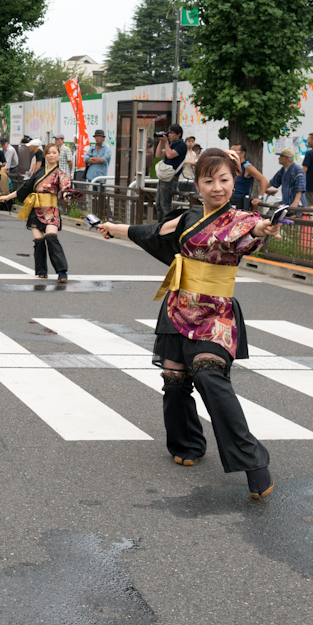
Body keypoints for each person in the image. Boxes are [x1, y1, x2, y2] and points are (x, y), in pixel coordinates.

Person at [97, 148, 280, 499]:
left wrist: (262, 227)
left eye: (224, 180)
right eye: (208, 181)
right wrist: (113, 228)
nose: (217, 187)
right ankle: (188, 443)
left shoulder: (239, 219)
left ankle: (254, 462)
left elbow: (251, 230)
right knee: (175, 378)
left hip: (216, 312)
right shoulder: (188, 218)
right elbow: (153, 230)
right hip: (178, 305)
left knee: (210, 376)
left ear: (233, 182)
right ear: (197, 185)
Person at [0, 142, 77, 282]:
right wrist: (6, 197)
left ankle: (62, 271)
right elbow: (25, 188)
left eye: (54, 152)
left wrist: (66, 195)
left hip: (51, 211)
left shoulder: (61, 174)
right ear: (45, 155)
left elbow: (65, 187)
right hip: (36, 210)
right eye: (49, 153)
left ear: (58, 155)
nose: (52, 155)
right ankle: (41, 270)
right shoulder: (39, 172)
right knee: (39, 240)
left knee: (51, 236)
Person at [154, 124, 188, 221]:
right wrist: (161, 141)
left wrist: (166, 143)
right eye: (168, 132)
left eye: (172, 133)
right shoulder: (171, 144)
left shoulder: (182, 145)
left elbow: (170, 155)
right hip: (164, 177)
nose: (169, 135)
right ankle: (159, 226)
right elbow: (158, 154)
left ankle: (166, 228)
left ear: (179, 134)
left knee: (165, 205)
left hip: (171, 179)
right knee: (158, 204)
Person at [228, 144, 269, 210]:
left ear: (242, 154)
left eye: (235, 152)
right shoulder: (232, 166)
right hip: (229, 200)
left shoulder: (247, 167)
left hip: (240, 201)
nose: (232, 154)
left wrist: (260, 197)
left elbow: (263, 179)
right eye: (230, 152)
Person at [302, 135, 313, 205]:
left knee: (310, 207)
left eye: (308, 139)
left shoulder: (309, 154)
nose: (307, 142)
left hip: (310, 186)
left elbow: (304, 170)